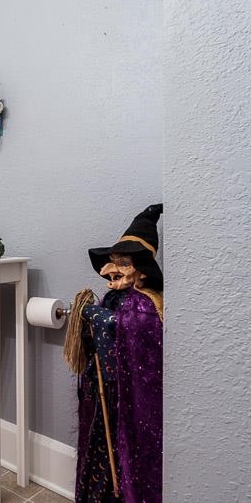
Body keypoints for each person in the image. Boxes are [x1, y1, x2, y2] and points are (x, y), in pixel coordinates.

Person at [76, 204, 163, 503]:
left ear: (140, 269)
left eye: (122, 263)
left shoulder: (146, 303)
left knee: (124, 449)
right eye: (111, 262)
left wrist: (96, 316)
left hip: (126, 391)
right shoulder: (116, 295)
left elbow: (133, 330)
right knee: (104, 442)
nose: (110, 270)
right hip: (106, 385)